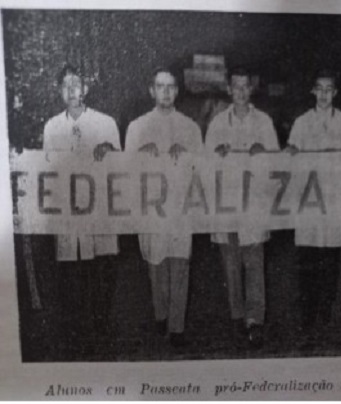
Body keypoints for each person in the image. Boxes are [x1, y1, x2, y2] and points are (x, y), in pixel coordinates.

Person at [43, 64, 120, 350]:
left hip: (99, 214)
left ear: (85, 89)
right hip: (67, 216)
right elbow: (47, 172)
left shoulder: (106, 123)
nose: (72, 90)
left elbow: (123, 171)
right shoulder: (52, 127)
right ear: (60, 92)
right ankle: (75, 337)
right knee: (71, 278)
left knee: (100, 275)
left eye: (76, 84)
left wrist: (109, 152)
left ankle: (101, 334)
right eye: (65, 85)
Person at [125, 67, 203, 348]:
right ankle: (161, 314)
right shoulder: (137, 127)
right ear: (152, 91)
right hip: (151, 210)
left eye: (171, 87)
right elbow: (124, 171)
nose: (166, 92)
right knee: (156, 264)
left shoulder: (190, 127)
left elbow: (204, 168)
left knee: (180, 264)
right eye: (161, 86)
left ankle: (177, 326)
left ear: (177, 91)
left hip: (181, 209)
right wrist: (139, 155)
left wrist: (189, 154)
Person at [205, 67, 280, 348]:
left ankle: (254, 320)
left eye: (245, 87)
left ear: (252, 89)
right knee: (231, 264)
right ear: (228, 89)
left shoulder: (264, 122)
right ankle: (237, 314)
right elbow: (205, 162)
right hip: (227, 204)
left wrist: (264, 152)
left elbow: (276, 163)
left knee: (254, 263)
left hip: (253, 207)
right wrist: (217, 155)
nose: (240, 92)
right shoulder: (216, 123)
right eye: (235, 87)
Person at [286, 69, 341, 333]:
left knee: (330, 258)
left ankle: (325, 307)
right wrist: (292, 152)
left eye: (330, 89)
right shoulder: (301, 122)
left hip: (334, 199)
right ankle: (307, 310)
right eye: (320, 88)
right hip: (309, 201)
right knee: (308, 256)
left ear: (335, 93)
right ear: (313, 91)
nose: (324, 94)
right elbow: (291, 153)